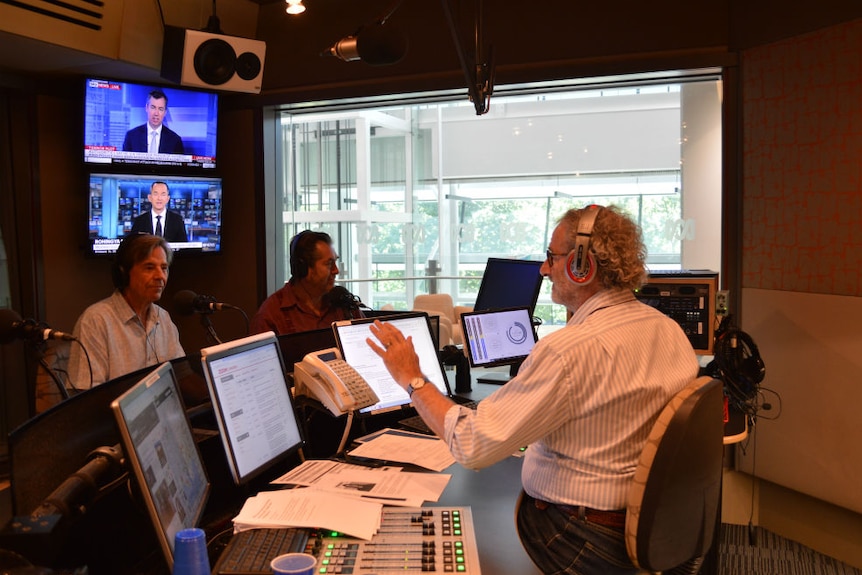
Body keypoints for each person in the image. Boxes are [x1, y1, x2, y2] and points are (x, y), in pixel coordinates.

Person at [365, 205, 699, 575]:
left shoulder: (569, 350)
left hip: (579, 537)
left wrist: (412, 378)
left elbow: (472, 445)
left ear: (581, 266)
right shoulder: (668, 330)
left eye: (551, 257)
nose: (544, 269)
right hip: (651, 532)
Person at [67, 233, 185, 389]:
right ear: (123, 273)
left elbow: (182, 375)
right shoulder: (96, 321)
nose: (160, 276)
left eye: (164, 268)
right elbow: (86, 400)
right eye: (149, 267)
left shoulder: (163, 318)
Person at [250, 230, 364, 335]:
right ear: (303, 268)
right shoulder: (271, 315)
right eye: (329, 264)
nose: (336, 270)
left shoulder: (343, 304)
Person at [122, 89, 185, 155]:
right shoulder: (131, 136)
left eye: (160, 109)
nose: (156, 113)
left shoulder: (175, 140)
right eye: (153, 107)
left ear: (165, 112)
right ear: (146, 108)